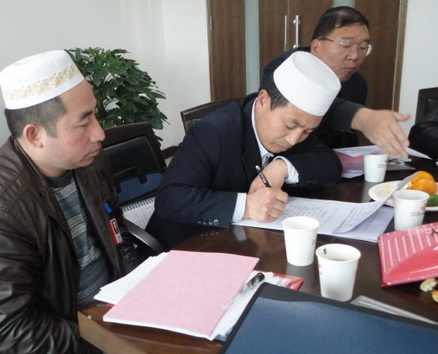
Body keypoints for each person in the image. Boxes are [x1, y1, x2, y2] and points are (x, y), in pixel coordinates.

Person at [0, 49, 182, 354]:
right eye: (84, 122)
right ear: (35, 135)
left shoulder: (88, 162)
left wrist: (144, 294)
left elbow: (115, 234)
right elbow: (7, 329)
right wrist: (101, 351)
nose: (100, 133)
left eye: (95, 115)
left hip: (107, 310)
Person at [146, 51, 343, 249]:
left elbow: (330, 164)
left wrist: (282, 167)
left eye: (308, 131)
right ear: (263, 100)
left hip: (243, 243)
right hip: (186, 247)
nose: (293, 140)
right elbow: (170, 198)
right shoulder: (214, 131)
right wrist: (247, 206)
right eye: (290, 125)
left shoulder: (298, 129)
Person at [262, 6, 410, 158]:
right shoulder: (287, 67)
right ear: (316, 47)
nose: (355, 56)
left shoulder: (358, 84)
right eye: (345, 45)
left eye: (363, 47)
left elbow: (348, 144)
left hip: (330, 165)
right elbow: (321, 106)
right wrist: (361, 117)